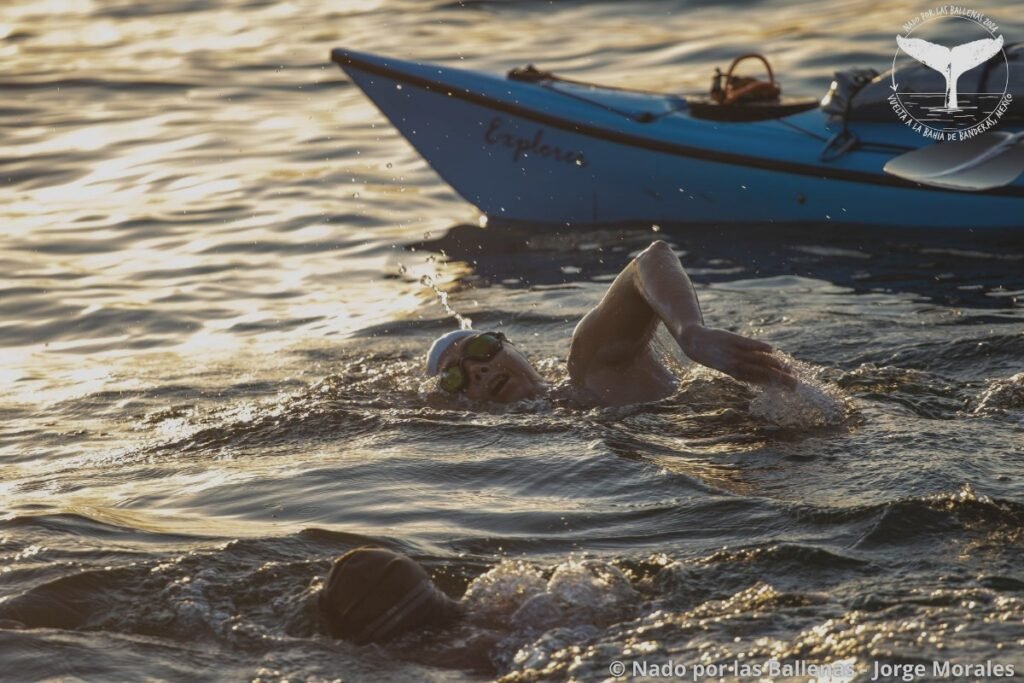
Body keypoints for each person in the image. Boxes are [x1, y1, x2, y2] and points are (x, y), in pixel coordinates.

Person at [425, 240, 796, 405]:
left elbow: (650, 259)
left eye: (479, 349)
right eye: (455, 378)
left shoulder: (591, 365)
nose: (477, 370)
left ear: (511, 346)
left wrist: (689, 331)